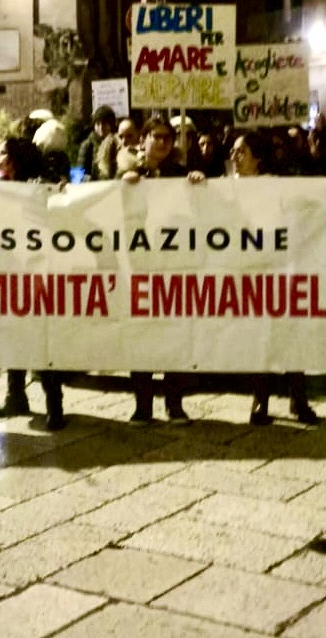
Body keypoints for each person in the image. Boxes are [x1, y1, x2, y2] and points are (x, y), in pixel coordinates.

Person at [229, 130, 320, 425]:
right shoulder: (224, 187)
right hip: (248, 272)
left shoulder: (274, 186)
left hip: (277, 269)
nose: (235, 157)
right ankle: (261, 400)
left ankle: (299, 399)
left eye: (241, 151)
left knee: (288, 333)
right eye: (233, 151)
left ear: (257, 158)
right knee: (260, 338)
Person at [118, 115, 197, 426]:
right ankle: (143, 406)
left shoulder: (181, 174)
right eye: (157, 136)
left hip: (173, 266)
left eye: (168, 137)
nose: (163, 142)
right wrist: (122, 185)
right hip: (139, 267)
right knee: (141, 336)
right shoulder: (128, 174)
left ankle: (174, 404)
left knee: (174, 336)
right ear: (144, 140)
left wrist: (199, 184)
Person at [0, 136, 67, 430]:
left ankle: (54, 404)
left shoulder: (39, 184)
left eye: (2, 153)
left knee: (40, 338)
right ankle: (16, 396)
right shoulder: (0, 184)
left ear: (16, 159)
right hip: (11, 270)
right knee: (13, 336)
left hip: (38, 271)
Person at [77, 105, 117, 181]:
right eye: (98, 124)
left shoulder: (117, 143)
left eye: (104, 124)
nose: (101, 128)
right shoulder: (87, 145)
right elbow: (80, 173)